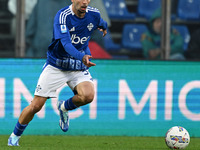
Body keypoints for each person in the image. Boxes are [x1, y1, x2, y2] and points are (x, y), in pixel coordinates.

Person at [8, 0, 107, 146]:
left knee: (88, 95)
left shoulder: (94, 14)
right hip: (57, 66)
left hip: (77, 66)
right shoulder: (63, 16)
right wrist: (82, 56)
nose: (85, 2)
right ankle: (14, 136)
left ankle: (64, 107)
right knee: (35, 106)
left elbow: (100, 21)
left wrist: (103, 27)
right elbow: (65, 44)